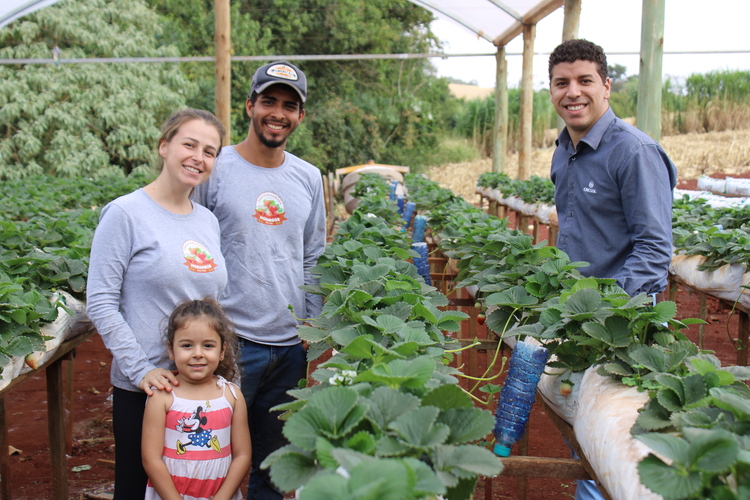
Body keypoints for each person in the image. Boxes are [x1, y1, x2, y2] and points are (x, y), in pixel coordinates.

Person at [547, 39, 677, 500]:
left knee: (621, 431)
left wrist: (608, 314)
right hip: (579, 315)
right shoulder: (564, 150)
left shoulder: (634, 152)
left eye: (585, 81)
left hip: (623, 326)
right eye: (562, 83)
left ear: (606, 85)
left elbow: (654, 248)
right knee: (577, 415)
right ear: (551, 90)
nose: (573, 92)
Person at [193, 61, 326, 500]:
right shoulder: (216, 168)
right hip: (228, 343)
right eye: (269, 101)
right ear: (250, 105)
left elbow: (313, 256)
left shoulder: (308, 177)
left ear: (300, 117)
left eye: (290, 105)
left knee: (272, 468)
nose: (278, 112)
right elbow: (191, 245)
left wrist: (313, 329)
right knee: (210, 459)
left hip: (289, 348)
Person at [86, 108, 228, 499]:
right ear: (164, 147)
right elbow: (100, 300)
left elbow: (213, 305)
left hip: (199, 386)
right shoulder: (125, 214)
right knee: (138, 488)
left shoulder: (207, 221)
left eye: (210, 151)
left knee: (198, 485)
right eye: (189, 144)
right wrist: (141, 370)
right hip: (148, 391)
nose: (198, 157)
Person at [142, 298, 251, 500]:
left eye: (208, 345)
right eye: (187, 345)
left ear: (222, 351)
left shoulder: (232, 395)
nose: (198, 354)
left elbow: (243, 455)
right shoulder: (162, 396)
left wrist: (222, 497)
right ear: (170, 350)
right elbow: (151, 459)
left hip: (219, 493)